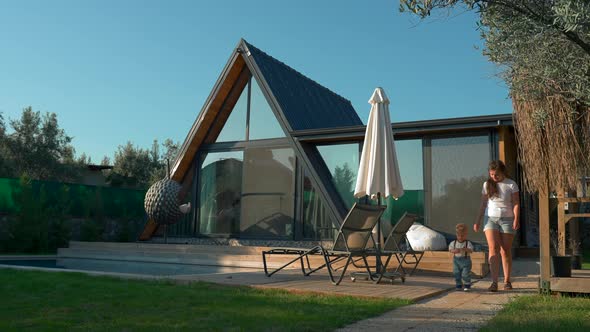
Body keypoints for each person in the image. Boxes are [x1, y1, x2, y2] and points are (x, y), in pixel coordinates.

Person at [474, 160, 520, 292]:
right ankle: (494, 282)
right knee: (493, 248)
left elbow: (516, 203)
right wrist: (477, 220)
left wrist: (516, 219)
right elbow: (483, 204)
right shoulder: (486, 184)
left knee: (505, 250)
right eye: (492, 174)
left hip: (507, 219)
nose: (494, 177)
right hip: (490, 219)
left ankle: (507, 281)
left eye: (497, 175)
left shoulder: (511, 184)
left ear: (503, 172)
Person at [449, 223, 474, 291]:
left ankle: (467, 284)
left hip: (466, 260)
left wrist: (466, 249)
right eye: (458, 235)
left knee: (465, 273)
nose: (460, 237)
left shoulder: (468, 243)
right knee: (456, 272)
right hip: (456, 260)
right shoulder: (453, 243)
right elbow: (450, 250)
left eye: (462, 235)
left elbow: (471, 250)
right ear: (456, 235)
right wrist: (454, 250)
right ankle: (458, 284)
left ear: (466, 235)